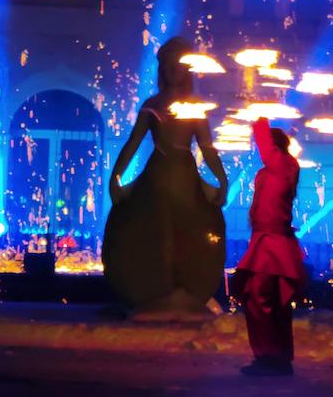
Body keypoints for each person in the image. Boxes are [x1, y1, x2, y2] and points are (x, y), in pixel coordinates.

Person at [102, 37, 228, 314]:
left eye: (178, 64)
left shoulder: (194, 107)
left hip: (185, 178)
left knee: (188, 230)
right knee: (155, 230)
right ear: (162, 68)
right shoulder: (153, 105)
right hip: (157, 176)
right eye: (169, 64)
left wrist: (222, 179)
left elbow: (207, 147)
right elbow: (133, 142)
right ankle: (154, 290)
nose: (174, 70)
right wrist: (116, 176)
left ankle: (185, 289)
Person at [234, 117, 307, 376]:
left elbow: (265, 145)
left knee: (260, 298)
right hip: (269, 242)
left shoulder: (282, 165)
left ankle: (269, 357)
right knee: (271, 302)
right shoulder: (274, 170)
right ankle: (277, 357)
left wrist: (258, 116)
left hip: (271, 245)